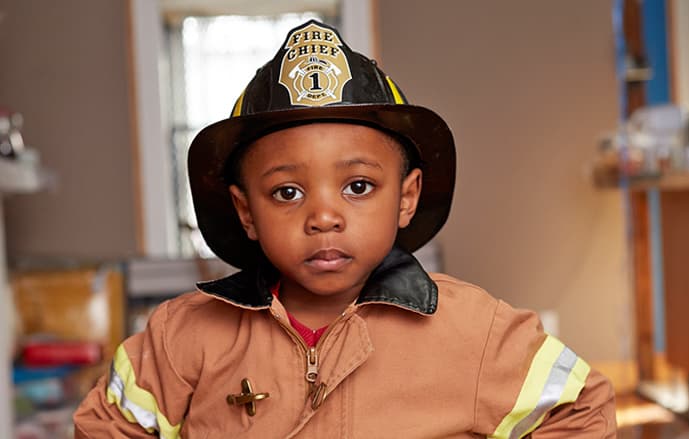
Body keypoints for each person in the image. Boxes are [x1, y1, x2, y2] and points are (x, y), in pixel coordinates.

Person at [73, 19, 616, 438]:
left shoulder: (477, 333)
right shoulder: (182, 337)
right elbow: (107, 425)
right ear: (246, 212)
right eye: (287, 192)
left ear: (406, 198)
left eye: (357, 187)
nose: (324, 217)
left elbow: (581, 408)